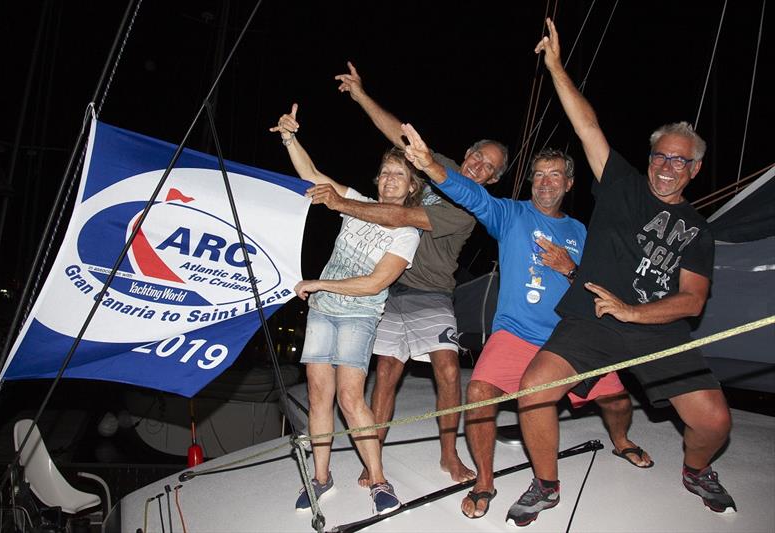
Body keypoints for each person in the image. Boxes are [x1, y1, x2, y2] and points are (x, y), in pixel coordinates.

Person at [505, 18, 735, 526]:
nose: (667, 166)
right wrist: (556, 67)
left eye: (680, 160)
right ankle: (545, 484)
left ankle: (697, 470)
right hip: (590, 320)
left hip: (657, 329)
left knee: (715, 421)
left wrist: (634, 312)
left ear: (694, 169)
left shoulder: (698, 229)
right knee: (532, 392)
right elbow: (587, 125)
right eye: (660, 156)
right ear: (650, 159)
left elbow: (693, 300)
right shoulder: (621, 186)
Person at [395, 123, 650, 518]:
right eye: (539, 175)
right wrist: (431, 165)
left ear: (568, 183)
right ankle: (484, 479)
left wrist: (570, 269)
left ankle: (621, 440)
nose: (545, 183)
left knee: (617, 401)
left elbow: (598, 286)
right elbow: (472, 195)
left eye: (554, 175)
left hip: (570, 336)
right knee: (478, 391)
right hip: (515, 333)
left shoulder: (580, 231)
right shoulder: (510, 214)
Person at [306, 62, 508, 485]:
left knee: (449, 368)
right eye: (477, 156)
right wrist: (361, 95)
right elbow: (399, 135)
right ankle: (372, 455)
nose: (477, 165)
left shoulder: (468, 209)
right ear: (467, 153)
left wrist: (339, 204)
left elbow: (399, 216)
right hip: (388, 285)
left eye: (488, 167)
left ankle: (449, 454)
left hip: (431, 293)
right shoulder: (443, 167)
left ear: (492, 179)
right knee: (387, 372)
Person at [270, 104, 423, 515]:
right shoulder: (354, 201)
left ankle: (378, 479)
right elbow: (312, 175)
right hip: (322, 312)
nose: (391, 180)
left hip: (359, 315)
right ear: (379, 180)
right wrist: (289, 137)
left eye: (401, 177)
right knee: (320, 395)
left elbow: (375, 283)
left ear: (411, 189)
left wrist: (319, 283)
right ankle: (320, 478)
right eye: (387, 173)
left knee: (352, 399)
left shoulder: (407, 232)